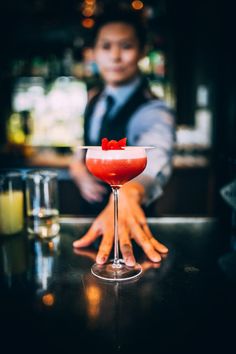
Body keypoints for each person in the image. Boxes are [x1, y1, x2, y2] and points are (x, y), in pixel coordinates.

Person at [70, 7, 175, 267]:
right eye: (106, 46)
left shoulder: (153, 110)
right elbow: (80, 152)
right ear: (93, 52)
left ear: (141, 52)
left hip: (134, 234)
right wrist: (79, 172)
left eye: (126, 46)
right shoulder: (95, 100)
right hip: (90, 228)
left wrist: (129, 194)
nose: (115, 56)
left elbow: (156, 155)